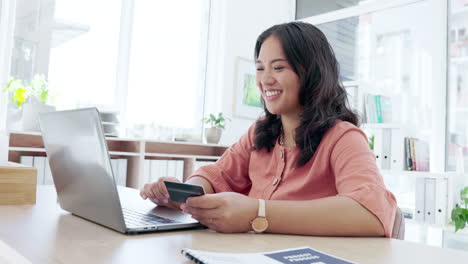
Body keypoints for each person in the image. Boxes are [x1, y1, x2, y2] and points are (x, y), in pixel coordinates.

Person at [140, 21, 397, 237]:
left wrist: (257, 212)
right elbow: (216, 176)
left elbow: (371, 213)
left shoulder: (343, 138)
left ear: (311, 73)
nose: (265, 80)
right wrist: (185, 194)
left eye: (279, 67)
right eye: (260, 68)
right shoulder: (260, 132)